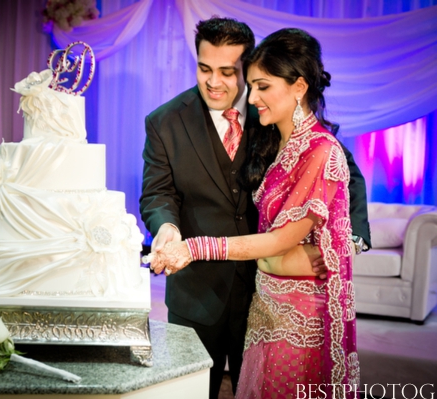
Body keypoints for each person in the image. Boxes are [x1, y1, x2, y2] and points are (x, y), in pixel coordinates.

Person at [139, 17, 370, 399]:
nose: (215, 83)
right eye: (204, 69)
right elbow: (157, 194)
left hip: (266, 294)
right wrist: (167, 228)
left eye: (228, 72)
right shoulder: (164, 121)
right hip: (198, 292)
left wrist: (346, 243)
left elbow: (345, 173)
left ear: (246, 68)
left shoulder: (273, 108)